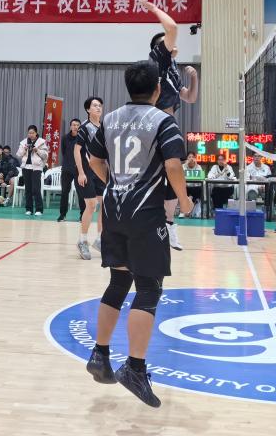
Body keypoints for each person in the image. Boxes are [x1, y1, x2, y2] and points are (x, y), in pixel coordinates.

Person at [84, 59, 193, 408]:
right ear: (158, 89)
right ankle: (135, 368)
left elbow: (93, 159)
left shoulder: (110, 118)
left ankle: (100, 354)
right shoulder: (163, 121)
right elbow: (173, 165)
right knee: (149, 288)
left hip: (113, 210)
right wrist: (184, 201)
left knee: (119, 282)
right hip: (144, 214)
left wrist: (115, 184)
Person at [144, 0, 198, 252]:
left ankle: (169, 226)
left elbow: (189, 98)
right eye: (166, 39)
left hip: (168, 121)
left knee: (171, 176)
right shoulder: (157, 60)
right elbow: (173, 27)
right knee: (155, 175)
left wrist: (194, 78)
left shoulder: (172, 69)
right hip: (156, 122)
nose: (172, 41)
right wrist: (154, 9)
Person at [73, 97, 105, 258]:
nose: (98, 108)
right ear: (88, 109)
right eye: (95, 105)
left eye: (100, 105)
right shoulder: (84, 128)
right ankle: (82, 241)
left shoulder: (104, 127)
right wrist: (81, 172)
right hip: (86, 171)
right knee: (91, 205)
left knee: (105, 205)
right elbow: (77, 150)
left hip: (100, 171)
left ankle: (100, 239)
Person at [17, 126, 48, 216]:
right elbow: (19, 155)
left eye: (32, 133)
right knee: (28, 189)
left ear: (36, 133)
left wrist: (37, 150)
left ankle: (39, 209)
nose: (30, 135)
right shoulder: (24, 142)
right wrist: (24, 149)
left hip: (36, 168)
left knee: (36, 189)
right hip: (26, 167)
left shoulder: (41, 142)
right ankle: (29, 209)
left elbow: (45, 155)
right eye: (29, 133)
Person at [58, 119, 83, 222]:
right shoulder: (65, 138)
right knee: (64, 192)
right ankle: (62, 215)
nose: (75, 127)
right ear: (70, 126)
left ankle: (83, 215)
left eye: (77, 125)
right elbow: (63, 152)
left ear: (80, 127)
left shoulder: (82, 138)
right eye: (73, 125)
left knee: (81, 192)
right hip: (67, 169)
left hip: (79, 169)